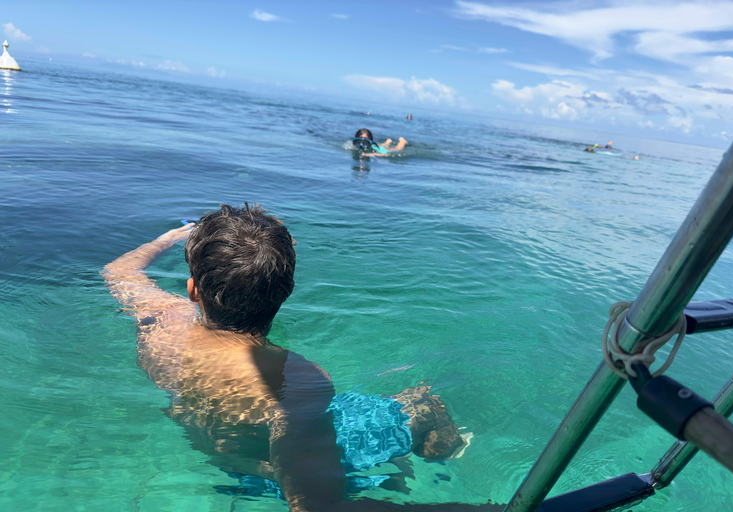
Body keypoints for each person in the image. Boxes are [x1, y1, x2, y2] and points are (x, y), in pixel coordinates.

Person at [102, 204, 481, 512]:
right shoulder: (298, 378)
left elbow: (118, 271)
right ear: (286, 293)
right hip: (271, 482)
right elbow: (316, 507)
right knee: (421, 402)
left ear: (192, 290)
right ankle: (447, 457)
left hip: (223, 460)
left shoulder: (161, 322)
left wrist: (169, 237)